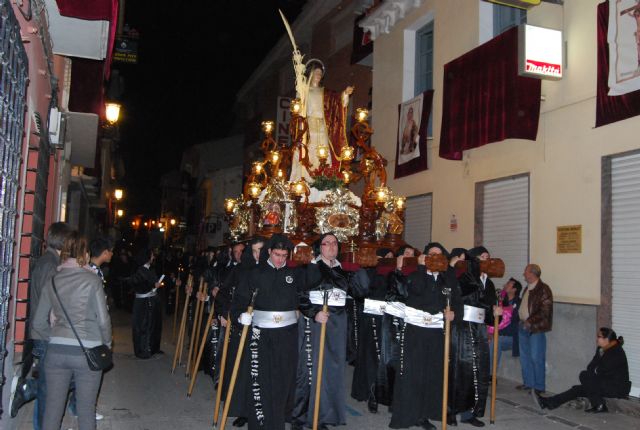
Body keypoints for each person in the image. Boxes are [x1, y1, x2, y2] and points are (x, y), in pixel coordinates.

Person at [31, 231, 112, 430]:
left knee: (52, 409)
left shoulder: (52, 280)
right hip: (87, 353)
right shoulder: (92, 281)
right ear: (85, 254)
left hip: (57, 353)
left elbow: (38, 323)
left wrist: (55, 338)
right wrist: (107, 345)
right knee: (85, 410)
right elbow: (103, 321)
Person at [291, 232, 369, 430]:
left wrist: (360, 267)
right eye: (327, 244)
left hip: (337, 324)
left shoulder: (344, 272)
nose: (332, 247)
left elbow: (361, 292)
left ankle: (323, 415)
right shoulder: (311, 268)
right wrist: (314, 313)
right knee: (309, 369)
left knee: (332, 369)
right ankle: (302, 417)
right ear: (320, 248)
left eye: (335, 243)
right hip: (315, 321)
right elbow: (299, 296)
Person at [231, 234, 306, 430]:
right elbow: (239, 300)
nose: (280, 259)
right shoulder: (255, 273)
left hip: (287, 335)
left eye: (284, 255)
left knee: (283, 380)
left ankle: (277, 424)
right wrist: (240, 317)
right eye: (277, 254)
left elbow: (306, 298)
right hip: (261, 335)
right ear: (269, 252)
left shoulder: (294, 274)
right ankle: (258, 424)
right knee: (260, 380)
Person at [389, 242, 458, 430]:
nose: (436, 257)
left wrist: (453, 314)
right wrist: (421, 268)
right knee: (412, 374)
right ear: (425, 257)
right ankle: (407, 414)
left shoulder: (446, 279)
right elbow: (416, 290)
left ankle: (424, 415)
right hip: (415, 331)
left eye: (439, 254)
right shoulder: (415, 274)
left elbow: (455, 301)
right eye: (431, 254)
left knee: (431, 374)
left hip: (436, 333)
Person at [12, 222, 71, 426]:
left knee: (53, 384)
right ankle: (29, 391)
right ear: (64, 241)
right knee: (49, 389)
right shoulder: (50, 265)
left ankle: (31, 390)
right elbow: (52, 304)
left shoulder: (48, 261)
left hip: (45, 331)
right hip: (47, 332)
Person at [448, 245, 502, 427]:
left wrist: (495, 312)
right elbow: (460, 298)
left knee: (479, 372)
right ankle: (451, 411)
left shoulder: (490, 283)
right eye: (483, 257)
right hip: (462, 329)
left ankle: (470, 412)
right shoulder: (465, 277)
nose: (487, 261)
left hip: (479, 330)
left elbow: (488, 309)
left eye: (489, 257)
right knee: (459, 370)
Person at [533, 328, 631, 413]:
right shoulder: (601, 350)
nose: (597, 338)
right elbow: (591, 367)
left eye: (599, 336)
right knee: (577, 388)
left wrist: (595, 370)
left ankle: (599, 404)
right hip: (601, 383)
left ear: (606, 339)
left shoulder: (616, 352)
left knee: (584, 375)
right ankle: (548, 403)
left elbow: (601, 370)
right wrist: (597, 364)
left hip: (617, 388)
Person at [289, 61, 354, 181]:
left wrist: (345, 94)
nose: (319, 75)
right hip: (308, 127)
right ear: (311, 74)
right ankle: (306, 177)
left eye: (320, 73)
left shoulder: (326, 93)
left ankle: (324, 177)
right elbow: (297, 108)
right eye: (316, 72)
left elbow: (338, 101)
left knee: (324, 149)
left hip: (323, 126)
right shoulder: (304, 91)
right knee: (308, 149)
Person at [351, 248, 393, 413]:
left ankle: (389, 394)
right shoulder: (367, 271)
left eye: (391, 257)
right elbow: (360, 292)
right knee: (372, 358)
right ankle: (372, 394)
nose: (388, 259)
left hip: (391, 319)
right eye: (385, 257)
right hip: (372, 319)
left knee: (390, 359)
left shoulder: (395, 273)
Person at [517, 263, 553, 395]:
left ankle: (539, 386)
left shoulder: (543, 289)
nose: (524, 274)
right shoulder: (528, 288)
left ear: (532, 274)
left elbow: (545, 311)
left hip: (535, 328)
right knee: (525, 356)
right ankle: (528, 383)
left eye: (526, 272)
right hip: (522, 326)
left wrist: (529, 321)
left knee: (536, 357)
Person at [128, 248, 164, 358]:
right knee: (143, 326)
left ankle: (152, 347)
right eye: (152, 255)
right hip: (143, 302)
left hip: (152, 300)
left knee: (154, 325)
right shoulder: (139, 270)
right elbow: (138, 285)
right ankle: (142, 350)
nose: (153, 257)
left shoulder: (149, 269)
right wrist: (153, 285)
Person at [488, 277, 522, 368]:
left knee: (495, 341)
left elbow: (515, 326)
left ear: (514, 289)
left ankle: (491, 375)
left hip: (511, 337)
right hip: (497, 333)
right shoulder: (500, 300)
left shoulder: (519, 304)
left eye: (508, 284)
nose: (505, 285)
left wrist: (495, 333)